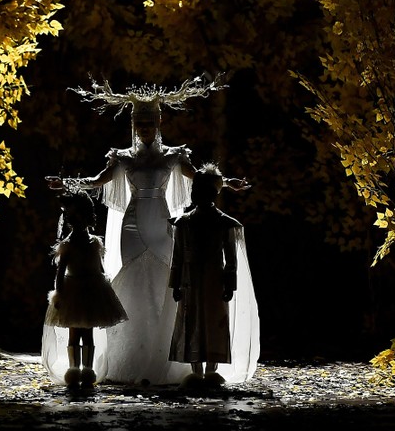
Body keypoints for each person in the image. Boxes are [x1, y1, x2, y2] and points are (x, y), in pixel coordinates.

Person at [42, 74, 259, 386]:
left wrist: (227, 182)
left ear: (159, 123)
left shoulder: (174, 155)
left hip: (161, 219)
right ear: (134, 126)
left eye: (150, 124)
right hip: (131, 225)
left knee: (164, 279)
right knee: (133, 280)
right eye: (140, 125)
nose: (145, 129)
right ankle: (127, 356)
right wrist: (67, 183)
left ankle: (168, 357)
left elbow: (199, 178)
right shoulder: (122, 157)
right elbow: (97, 181)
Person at [168, 162, 246, 389]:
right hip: (190, 281)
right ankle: (196, 371)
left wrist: (229, 285)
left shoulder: (224, 223)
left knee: (214, 322)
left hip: (214, 279)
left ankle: (211, 371)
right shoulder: (183, 223)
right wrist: (176, 285)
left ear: (213, 193)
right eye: (195, 190)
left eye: (203, 190)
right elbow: (178, 256)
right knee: (191, 321)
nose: (197, 194)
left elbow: (230, 259)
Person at [43, 189, 128, 389]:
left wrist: (105, 286)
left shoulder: (94, 243)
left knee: (87, 332)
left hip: (91, 289)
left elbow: (100, 268)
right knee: (75, 332)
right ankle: (75, 370)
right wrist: (59, 294)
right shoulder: (67, 246)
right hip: (74, 292)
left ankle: (87, 370)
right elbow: (60, 272)